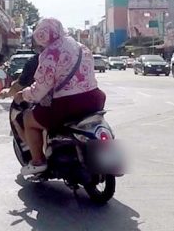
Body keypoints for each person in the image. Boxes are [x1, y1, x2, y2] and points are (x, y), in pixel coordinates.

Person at [14, 18, 106, 176]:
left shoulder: (50, 53)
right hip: (95, 98)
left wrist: (24, 95)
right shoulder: (81, 47)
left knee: (29, 119)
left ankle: (38, 161)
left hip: (68, 104)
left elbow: (41, 88)